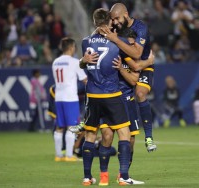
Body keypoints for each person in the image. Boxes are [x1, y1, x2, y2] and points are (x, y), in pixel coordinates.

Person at [80, 8, 132, 186]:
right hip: (111, 93)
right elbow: (134, 54)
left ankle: (87, 177)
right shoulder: (117, 42)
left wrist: (82, 61)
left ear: (94, 22)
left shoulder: (85, 42)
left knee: (90, 135)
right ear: (110, 21)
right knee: (124, 133)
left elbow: (83, 63)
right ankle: (124, 176)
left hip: (93, 95)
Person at [101, 3, 157, 152]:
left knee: (140, 93)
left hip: (144, 65)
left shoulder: (140, 28)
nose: (115, 22)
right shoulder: (114, 28)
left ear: (126, 14)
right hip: (125, 63)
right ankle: (89, 123)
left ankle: (149, 137)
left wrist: (116, 40)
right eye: (112, 19)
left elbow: (137, 54)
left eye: (117, 18)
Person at [52, 37, 87, 162]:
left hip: (58, 97)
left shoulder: (55, 62)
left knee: (60, 126)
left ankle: (58, 155)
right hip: (70, 98)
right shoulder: (74, 62)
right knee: (72, 126)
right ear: (72, 47)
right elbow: (84, 80)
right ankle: (69, 155)